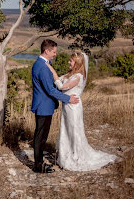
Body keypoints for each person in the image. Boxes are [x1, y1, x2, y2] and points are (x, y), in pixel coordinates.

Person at [46, 52, 116, 171]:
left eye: (71, 61)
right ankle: (65, 154)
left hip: (73, 108)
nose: (69, 62)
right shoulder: (70, 74)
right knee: (66, 129)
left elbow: (62, 87)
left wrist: (53, 72)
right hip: (67, 106)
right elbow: (59, 81)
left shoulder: (78, 77)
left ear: (77, 63)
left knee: (74, 130)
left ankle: (77, 155)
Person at [31, 39, 79, 173]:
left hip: (45, 105)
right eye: (54, 52)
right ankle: (38, 166)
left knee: (42, 136)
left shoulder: (42, 64)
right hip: (43, 106)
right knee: (40, 136)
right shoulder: (42, 67)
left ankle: (38, 163)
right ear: (46, 51)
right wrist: (68, 98)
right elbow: (50, 90)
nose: (55, 54)